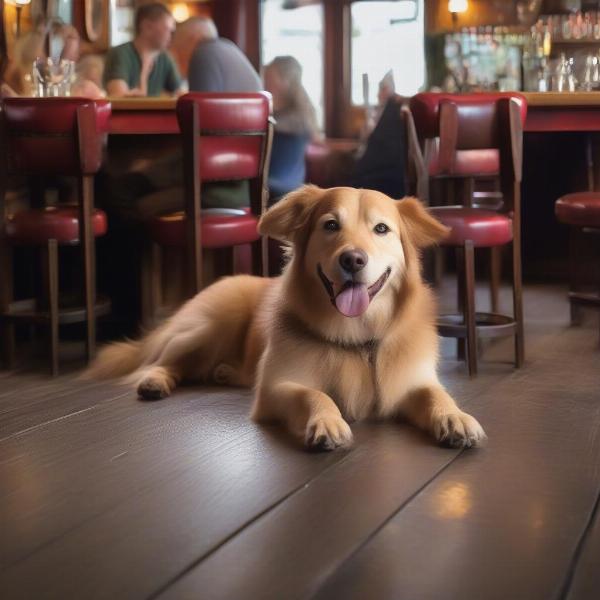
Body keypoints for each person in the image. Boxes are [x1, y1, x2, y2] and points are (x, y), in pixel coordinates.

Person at [263, 56, 319, 199]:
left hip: (277, 187)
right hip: (293, 186)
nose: (264, 82)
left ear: (285, 82)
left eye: (269, 78)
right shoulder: (305, 112)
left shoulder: (293, 119)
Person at [103, 3, 182, 97]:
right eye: (167, 29)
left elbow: (180, 95)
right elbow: (119, 97)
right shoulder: (121, 54)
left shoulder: (165, 58)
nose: (171, 34)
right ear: (147, 27)